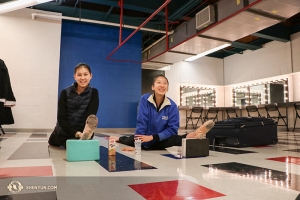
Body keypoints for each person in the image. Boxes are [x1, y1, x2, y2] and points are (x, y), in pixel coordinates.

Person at [109, 75, 214, 150]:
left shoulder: (172, 105)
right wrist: (139, 143)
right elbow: (142, 121)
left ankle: (196, 133)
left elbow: (172, 130)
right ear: (153, 87)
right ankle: (119, 138)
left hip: (160, 140)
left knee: (176, 139)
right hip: (143, 138)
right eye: (159, 82)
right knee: (129, 141)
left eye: (165, 83)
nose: (162, 85)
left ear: (167, 88)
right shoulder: (145, 99)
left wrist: (153, 137)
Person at [48, 63, 99, 148]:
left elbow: (90, 117)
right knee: (58, 142)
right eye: (79, 75)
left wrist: (84, 133)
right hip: (64, 131)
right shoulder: (65, 92)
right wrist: (76, 133)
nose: (82, 78)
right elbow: (61, 119)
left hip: (83, 132)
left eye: (85, 74)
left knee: (77, 147)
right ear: (74, 76)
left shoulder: (94, 92)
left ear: (91, 76)